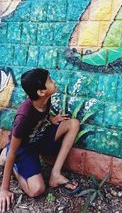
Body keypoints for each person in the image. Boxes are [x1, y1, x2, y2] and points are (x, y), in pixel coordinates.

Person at [0, 68, 80, 212]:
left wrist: (51, 119)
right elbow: (13, 150)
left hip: (39, 137)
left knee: (73, 124)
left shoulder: (44, 99)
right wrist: (4, 189)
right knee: (36, 190)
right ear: (41, 91)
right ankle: (13, 166)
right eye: (49, 80)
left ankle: (55, 174)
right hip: (23, 149)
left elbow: (41, 115)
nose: (53, 81)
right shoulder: (23, 117)